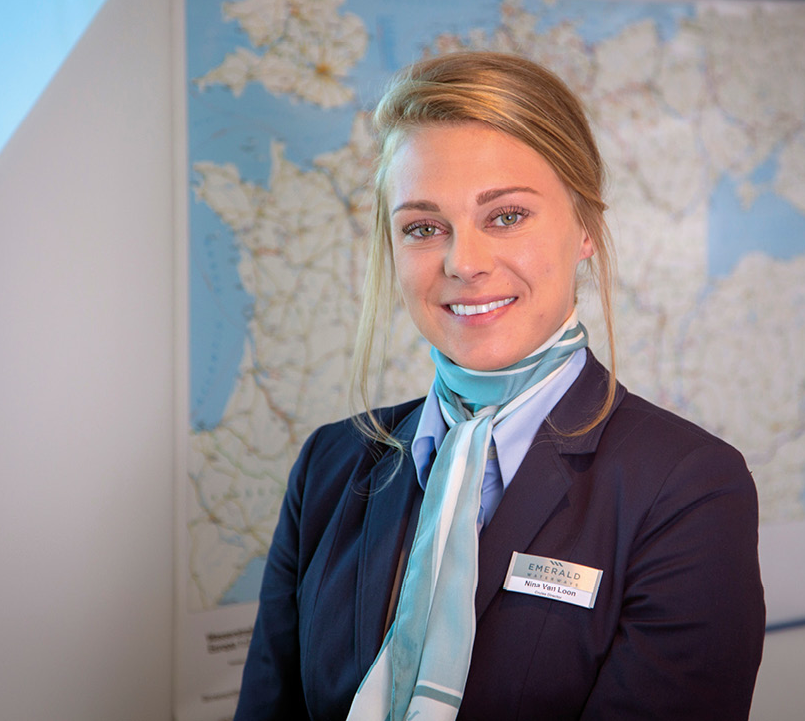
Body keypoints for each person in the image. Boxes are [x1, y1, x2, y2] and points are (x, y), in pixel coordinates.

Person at [234, 51, 764, 721]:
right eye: (424, 228)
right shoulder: (330, 467)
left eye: (506, 216)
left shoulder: (686, 488)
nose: (464, 262)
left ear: (586, 229)